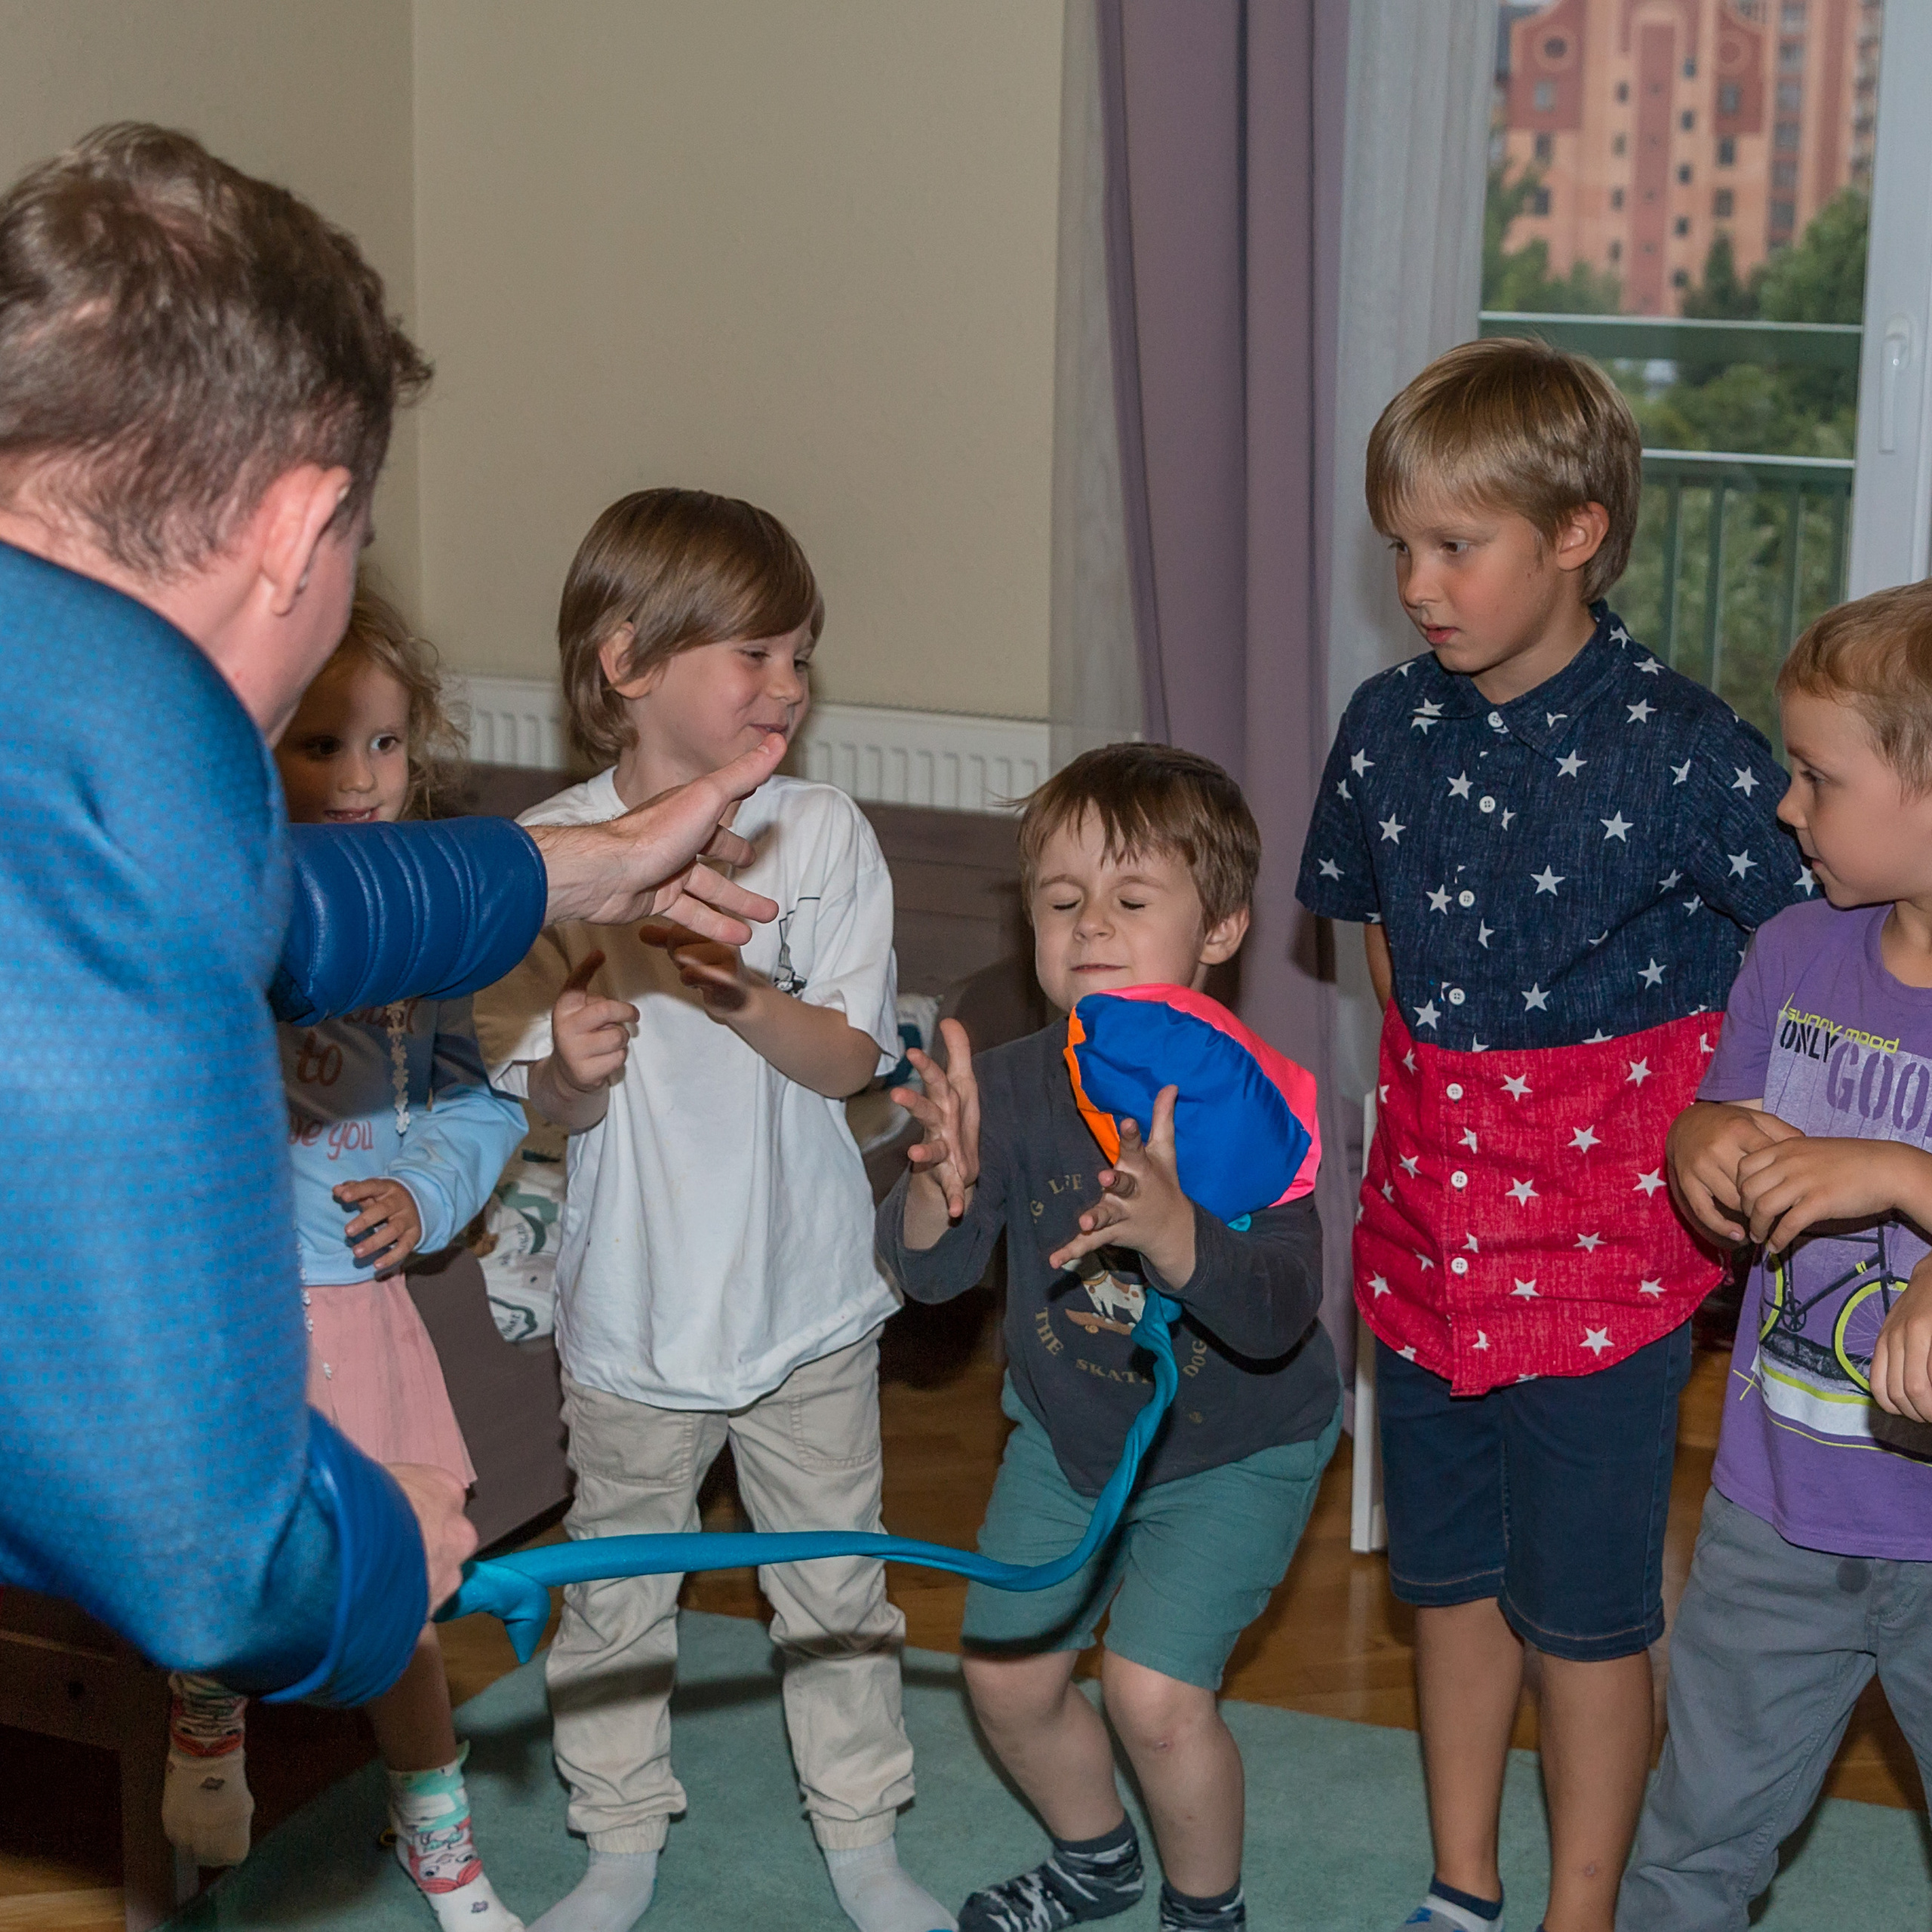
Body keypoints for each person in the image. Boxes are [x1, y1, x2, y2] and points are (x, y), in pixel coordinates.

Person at [0, 125, 783, 1712]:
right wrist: (370, 1551)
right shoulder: (146, 736)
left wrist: (579, 868)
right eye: (356, 543)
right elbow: (197, 1545)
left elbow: (254, 905)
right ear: (298, 527)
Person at [1294, 337, 1805, 1932]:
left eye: (1457, 546)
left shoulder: (1680, 743)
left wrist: (1719, 1115)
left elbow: (1801, 949)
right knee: (1442, 1574)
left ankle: (1583, 1910)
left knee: (1583, 1606)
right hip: (1432, 1216)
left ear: (1575, 532)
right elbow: (1374, 936)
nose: (1419, 583)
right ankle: (1461, 1882)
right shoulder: (1384, 723)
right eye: (1401, 548)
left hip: (1605, 1241)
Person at [475, 489, 949, 1932]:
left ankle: (863, 1834)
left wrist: (726, 983)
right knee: (618, 1593)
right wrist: (564, 1072)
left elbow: (856, 1062)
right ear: (628, 662)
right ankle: (619, 1838)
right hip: (631, 1320)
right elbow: (529, 1112)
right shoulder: (542, 861)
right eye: (757, 655)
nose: (789, 689)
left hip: (807, 1303)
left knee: (837, 1584)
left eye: (802, 657)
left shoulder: (820, 835)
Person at [877, 743, 1340, 1932]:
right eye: (1061, 899)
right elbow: (929, 1283)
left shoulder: (1254, 1100)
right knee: (1006, 1679)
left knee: (1152, 1695)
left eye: (1131, 901)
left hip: (1239, 1445)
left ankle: (1204, 1911)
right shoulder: (1020, 1084)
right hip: (1069, 1435)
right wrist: (937, 1178)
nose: (1090, 925)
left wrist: (1183, 1236)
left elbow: (1282, 1318)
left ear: (1222, 930)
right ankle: (1094, 1861)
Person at [163, 590, 528, 1929]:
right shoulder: (214, 909)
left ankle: (438, 1837)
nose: (360, 778)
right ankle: (207, 1720)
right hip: (235, 1319)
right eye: (322, 746)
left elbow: (480, 1101)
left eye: (382, 745)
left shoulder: (428, 933)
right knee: (226, 1559)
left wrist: (429, 1189)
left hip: (361, 1312)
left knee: (401, 1599)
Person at [1620, 582, 1932, 1926]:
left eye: (1817, 776)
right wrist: (1700, 1141)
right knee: (1692, 1842)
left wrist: (1899, 1176)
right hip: (1769, 1511)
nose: (1787, 810)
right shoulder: (1797, 948)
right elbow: (1725, 1112)